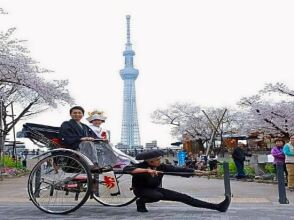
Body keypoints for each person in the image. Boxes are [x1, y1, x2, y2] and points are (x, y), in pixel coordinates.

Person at [123, 150, 231, 213]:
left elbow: (181, 170)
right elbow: (127, 169)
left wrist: (203, 173)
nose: (159, 161)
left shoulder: (162, 166)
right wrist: (146, 170)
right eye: (157, 160)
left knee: (184, 197)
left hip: (155, 189)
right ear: (150, 161)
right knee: (157, 196)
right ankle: (141, 201)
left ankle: (217, 207)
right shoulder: (141, 166)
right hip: (141, 190)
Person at [59, 106, 103, 170]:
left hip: (84, 146)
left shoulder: (84, 126)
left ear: (82, 114)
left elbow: (93, 136)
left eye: (79, 113)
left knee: (103, 144)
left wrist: (101, 140)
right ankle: (93, 164)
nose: (77, 114)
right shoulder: (66, 124)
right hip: (74, 146)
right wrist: (81, 138)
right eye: (75, 113)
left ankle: (105, 163)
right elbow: (66, 136)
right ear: (70, 114)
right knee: (87, 143)